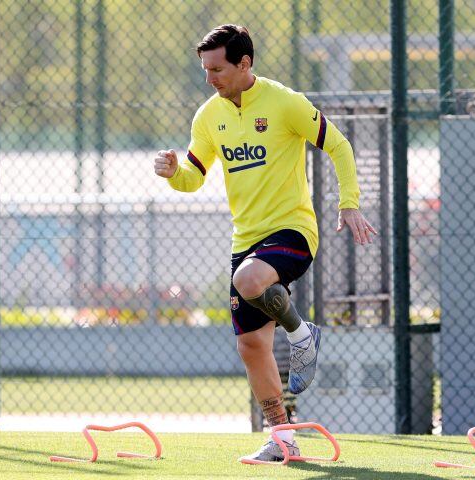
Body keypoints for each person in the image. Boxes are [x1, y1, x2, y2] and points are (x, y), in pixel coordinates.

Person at [153, 24, 377, 462]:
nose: (210, 78)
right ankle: (283, 439)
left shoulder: (284, 103)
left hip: (293, 230)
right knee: (251, 345)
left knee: (249, 277)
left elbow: (340, 145)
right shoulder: (208, 116)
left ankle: (301, 333)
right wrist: (172, 172)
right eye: (205, 70)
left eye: (217, 68)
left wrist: (348, 203)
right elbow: (194, 178)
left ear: (244, 63)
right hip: (247, 238)